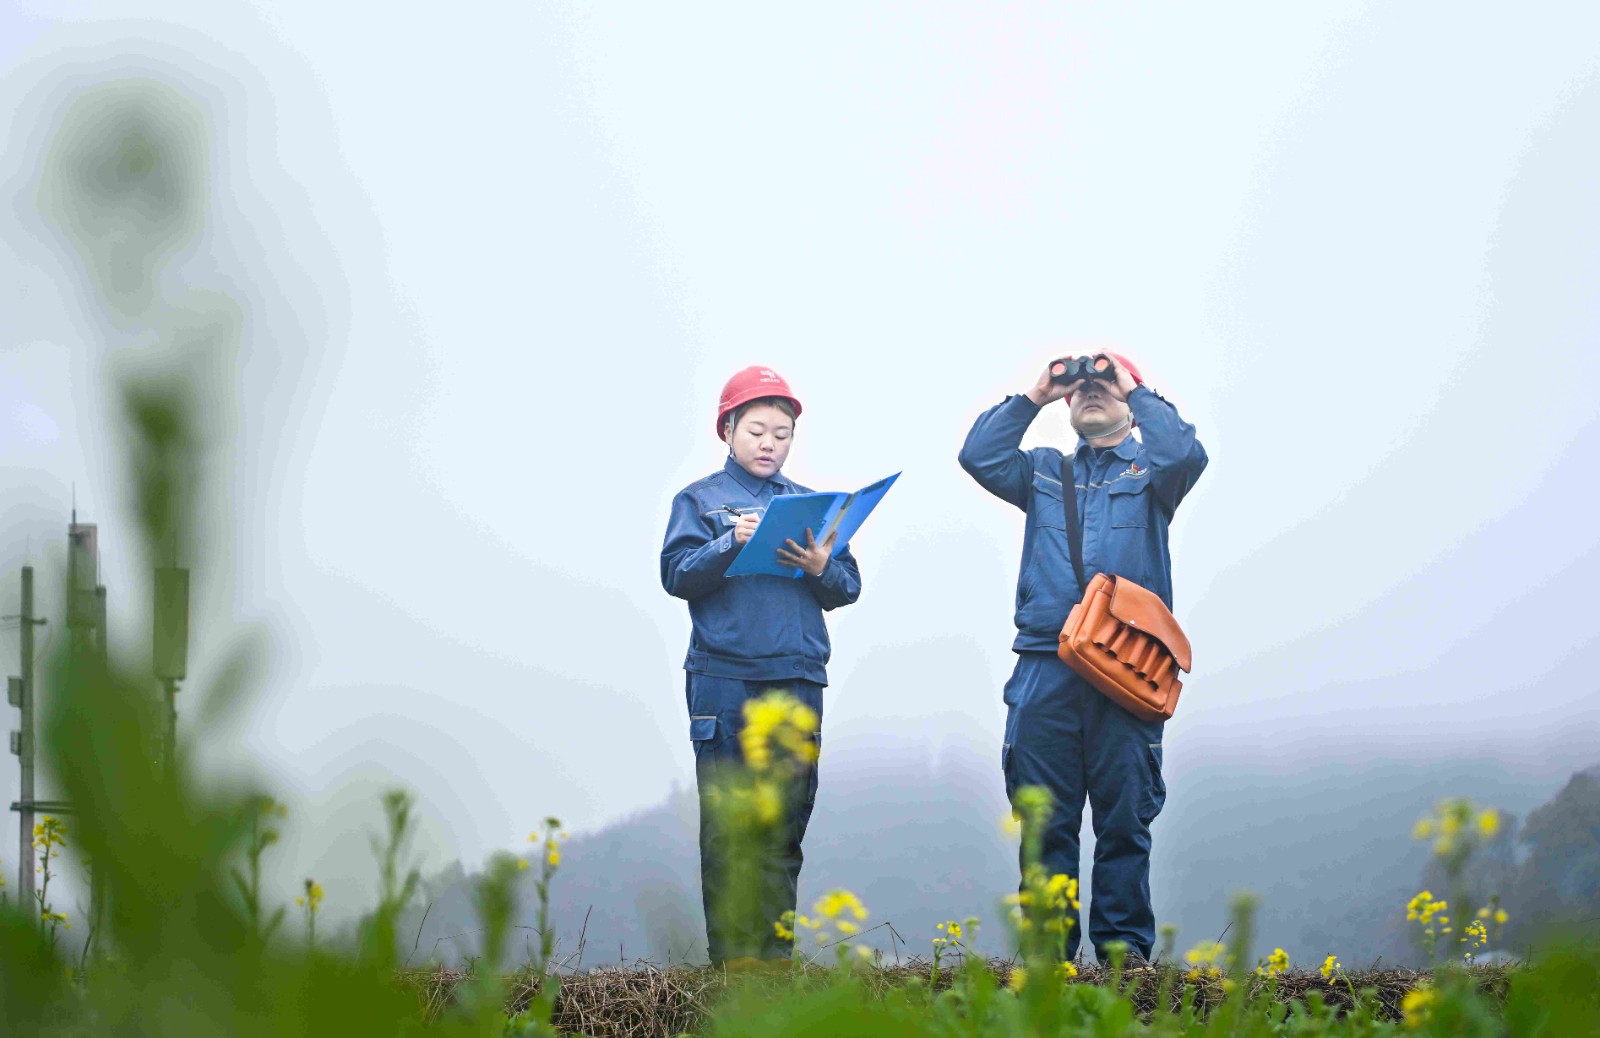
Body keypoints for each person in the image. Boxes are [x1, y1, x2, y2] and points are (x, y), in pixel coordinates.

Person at [958, 352, 1207, 962]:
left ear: (1131, 404)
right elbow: (979, 456)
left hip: (1127, 670)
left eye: (1105, 387)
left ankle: (1124, 962)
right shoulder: (1043, 472)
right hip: (1046, 664)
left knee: (1125, 822)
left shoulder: (1153, 472)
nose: (1091, 393)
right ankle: (1047, 962)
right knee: (1045, 823)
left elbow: (1185, 454)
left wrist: (1134, 386)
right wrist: (1038, 394)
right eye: (1081, 390)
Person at [660, 365, 862, 964]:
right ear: (726, 430)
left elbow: (847, 587)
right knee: (729, 831)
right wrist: (730, 542)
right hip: (724, 679)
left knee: (784, 827)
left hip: (797, 676)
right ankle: (732, 968)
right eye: (755, 431)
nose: (769, 443)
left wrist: (821, 565)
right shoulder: (698, 501)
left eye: (782, 434)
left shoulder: (811, 507)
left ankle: (774, 967)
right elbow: (677, 575)